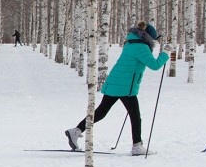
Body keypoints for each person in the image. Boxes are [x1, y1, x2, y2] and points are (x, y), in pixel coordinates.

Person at [65, 21, 169, 156]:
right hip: (125, 86)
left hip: (115, 81)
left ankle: (76, 131)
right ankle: (137, 146)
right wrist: (165, 53)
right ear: (148, 38)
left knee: (102, 111)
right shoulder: (141, 47)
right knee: (135, 116)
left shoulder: (130, 44)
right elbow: (155, 65)